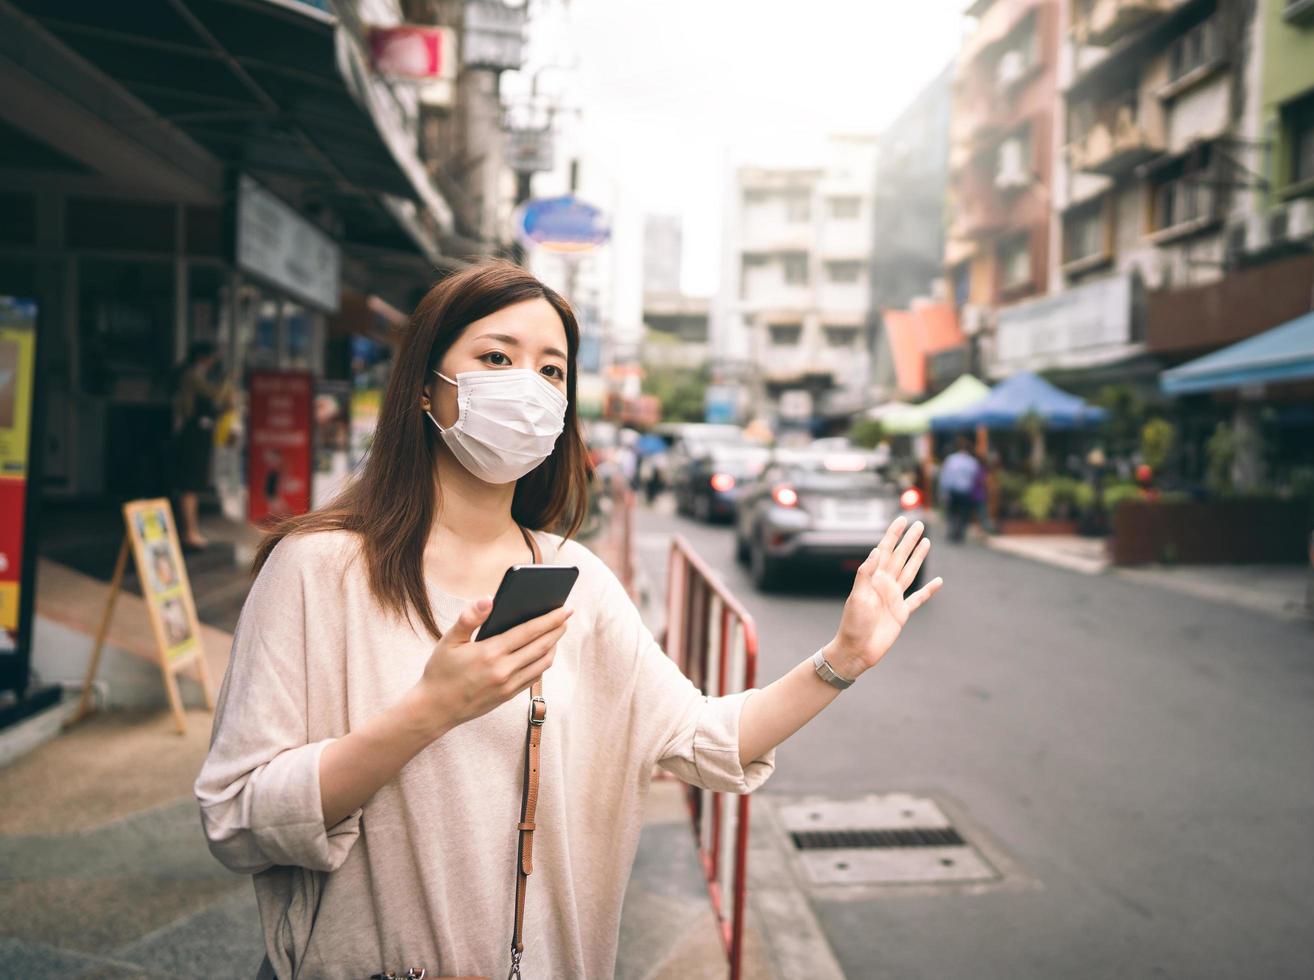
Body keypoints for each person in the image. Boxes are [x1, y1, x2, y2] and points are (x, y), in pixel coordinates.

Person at [194, 261, 944, 980]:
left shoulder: (578, 581)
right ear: (425, 387)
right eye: (496, 356)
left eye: (552, 370)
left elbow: (705, 738)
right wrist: (428, 712)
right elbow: (237, 815)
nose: (527, 386)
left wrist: (841, 659)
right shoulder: (318, 568)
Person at [170, 340, 231, 550]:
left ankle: (191, 529)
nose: (214, 361)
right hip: (193, 433)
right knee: (190, 483)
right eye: (212, 357)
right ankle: (189, 531)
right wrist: (226, 382)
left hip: (198, 432)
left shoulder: (196, 375)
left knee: (193, 483)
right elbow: (216, 396)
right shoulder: (193, 376)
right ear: (203, 357)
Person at [937, 436, 981, 543]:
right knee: (963, 513)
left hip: (953, 491)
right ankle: (959, 533)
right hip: (966, 492)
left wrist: (943, 491)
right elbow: (976, 477)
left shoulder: (951, 459)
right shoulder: (972, 462)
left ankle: (952, 532)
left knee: (952, 513)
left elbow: (945, 476)